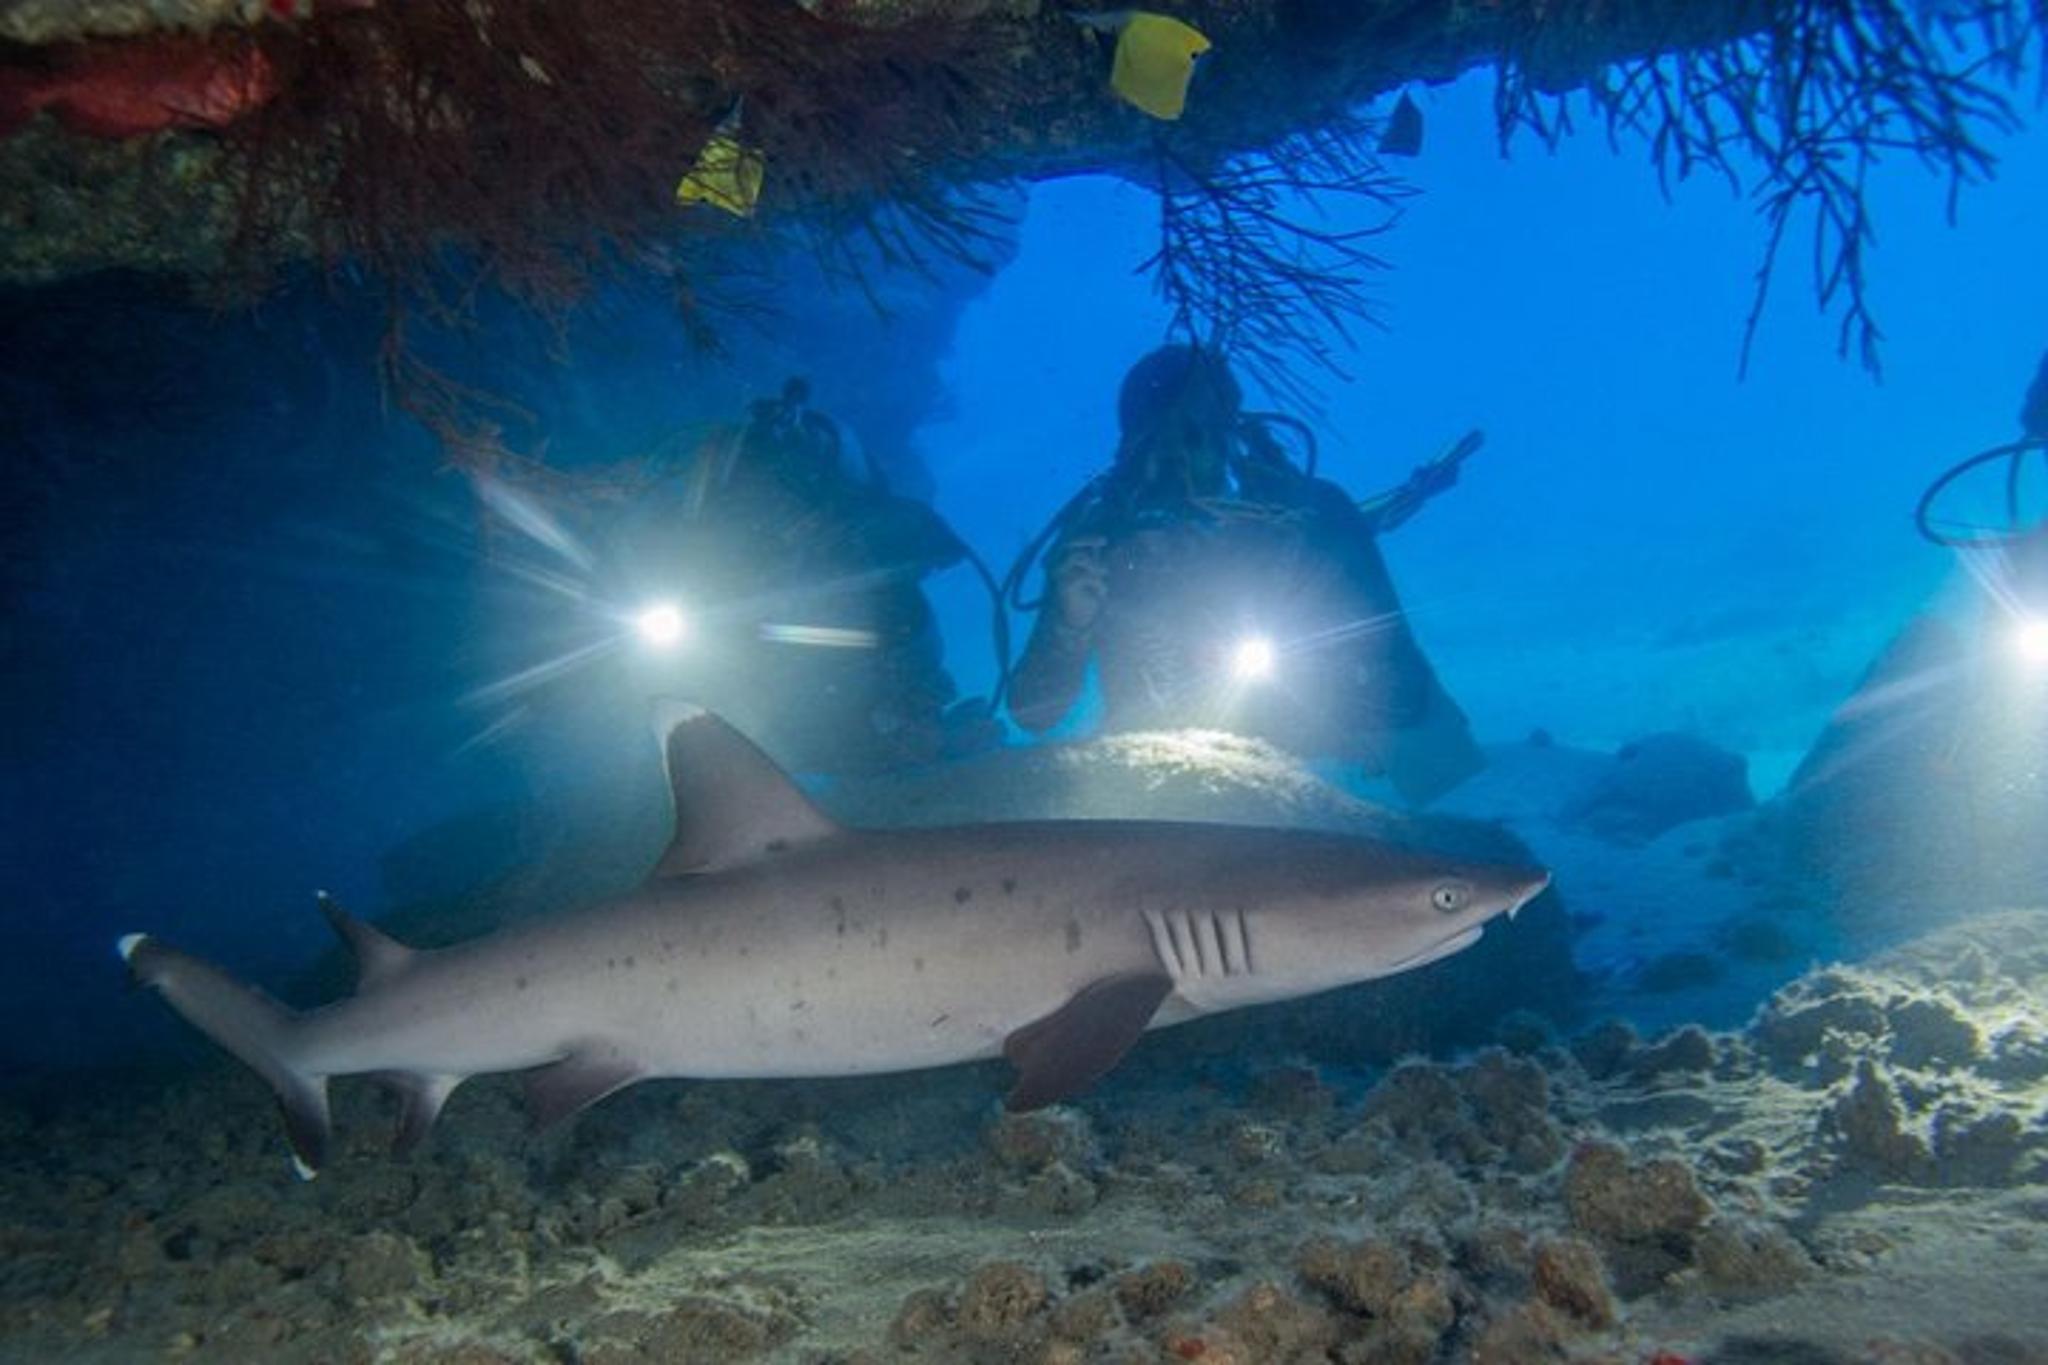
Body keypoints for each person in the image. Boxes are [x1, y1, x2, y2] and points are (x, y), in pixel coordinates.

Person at [1006, 344, 1484, 805]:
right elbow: (1035, 713)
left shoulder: (1292, 513)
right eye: (1161, 443)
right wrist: (1065, 625)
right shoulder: (1096, 543)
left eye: (1200, 437)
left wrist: (1411, 493)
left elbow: (1352, 536)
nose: (1185, 464)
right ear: (1131, 446)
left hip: (1309, 754)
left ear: (1229, 434)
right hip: (1165, 780)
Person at [632, 378, 981, 775]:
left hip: (854, 709)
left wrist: (918, 721)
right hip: (770, 710)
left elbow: (910, 651)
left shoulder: (871, 575)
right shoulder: (708, 536)